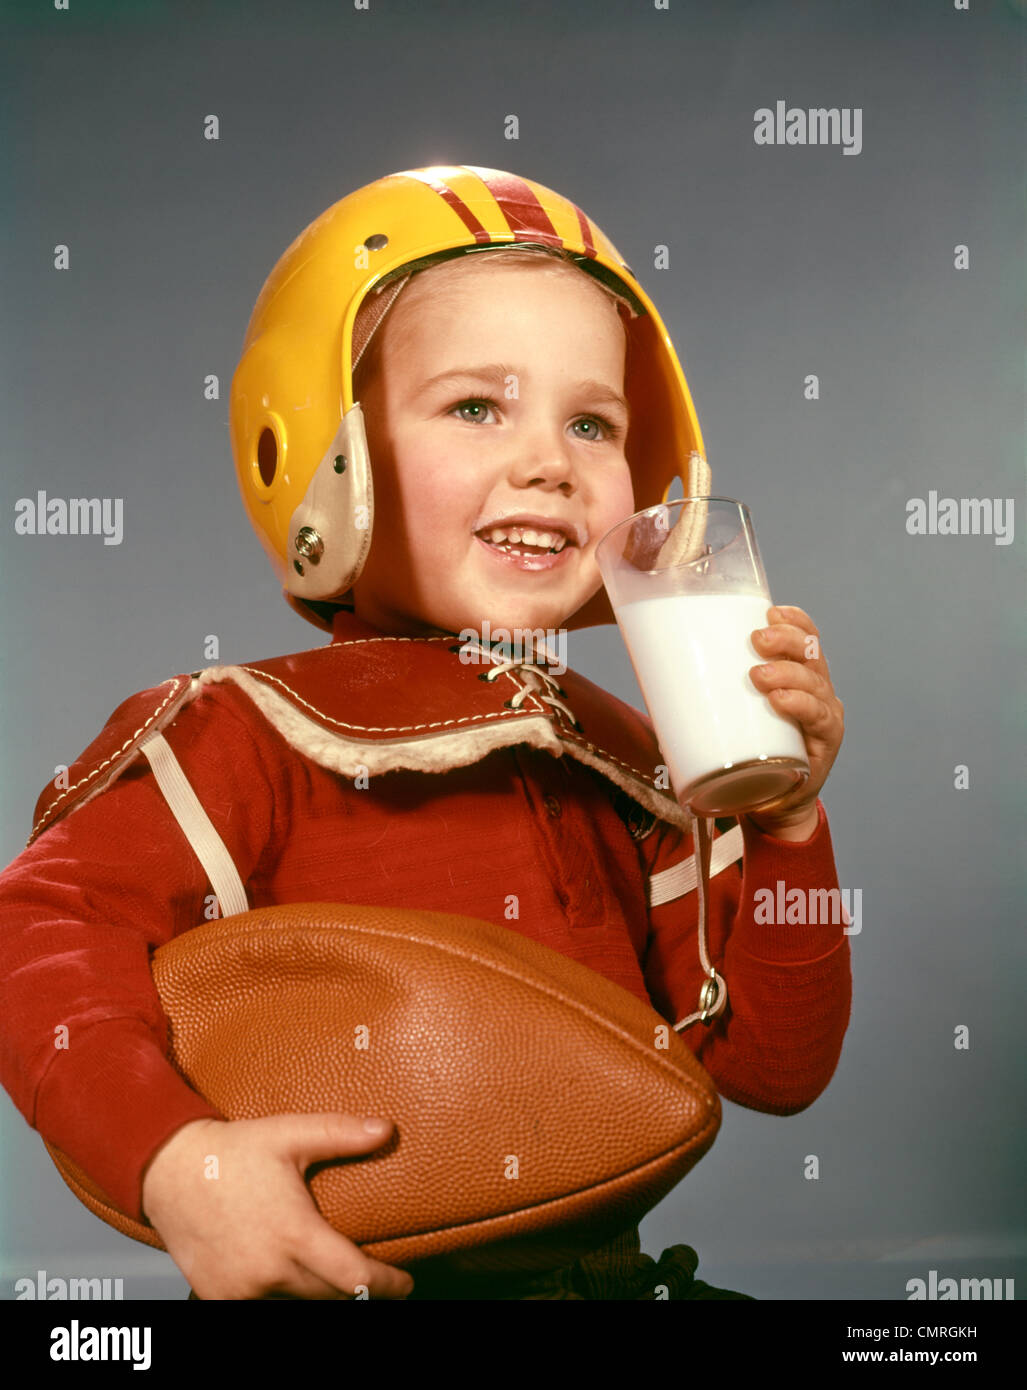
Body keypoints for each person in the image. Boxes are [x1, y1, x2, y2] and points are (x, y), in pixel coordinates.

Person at [0, 165, 849, 1300]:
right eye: (475, 405)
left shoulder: (635, 761)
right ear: (326, 446)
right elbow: (34, 942)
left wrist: (788, 822)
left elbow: (772, 1068)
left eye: (591, 422)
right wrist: (175, 1159)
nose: (551, 460)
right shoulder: (240, 733)